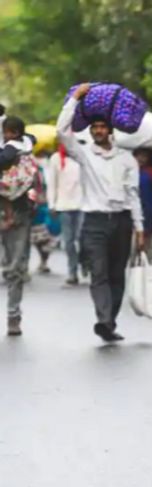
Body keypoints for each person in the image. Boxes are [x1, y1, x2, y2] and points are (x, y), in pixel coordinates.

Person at [56, 83, 145, 343]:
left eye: (102, 127)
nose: (97, 131)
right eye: (94, 128)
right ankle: (104, 319)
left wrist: (140, 229)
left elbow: (133, 195)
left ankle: (109, 322)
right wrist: (74, 99)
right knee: (99, 273)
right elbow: (62, 131)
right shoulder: (83, 154)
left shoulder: (127, 159)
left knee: (117, 274)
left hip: (122, 221)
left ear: (110, 130)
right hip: (93, 222)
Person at [0, 116, 37, 336]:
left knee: (14, 268)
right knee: (14, 268)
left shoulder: (12, 148)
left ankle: (13, 315)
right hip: (13, 207)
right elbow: (31, 137)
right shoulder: (25, 142)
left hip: (17, 209)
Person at [47, 146, 83, 285]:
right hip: (64, 205)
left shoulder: (83, 155)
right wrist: (52, 204)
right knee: (68, 241)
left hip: (83, 204)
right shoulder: (56, 158)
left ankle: (85, 263)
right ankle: (72, 272)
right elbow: (52, 183)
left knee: (83, 238)